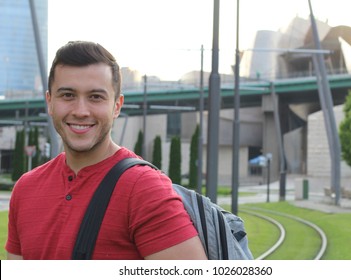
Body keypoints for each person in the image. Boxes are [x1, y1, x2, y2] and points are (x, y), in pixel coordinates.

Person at [6, 41, 207, 260]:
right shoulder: (25, 189)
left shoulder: (144, 188)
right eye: (67, 95)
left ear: (117, 106)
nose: (81, 111)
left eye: (95, 97)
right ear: (49, 102)